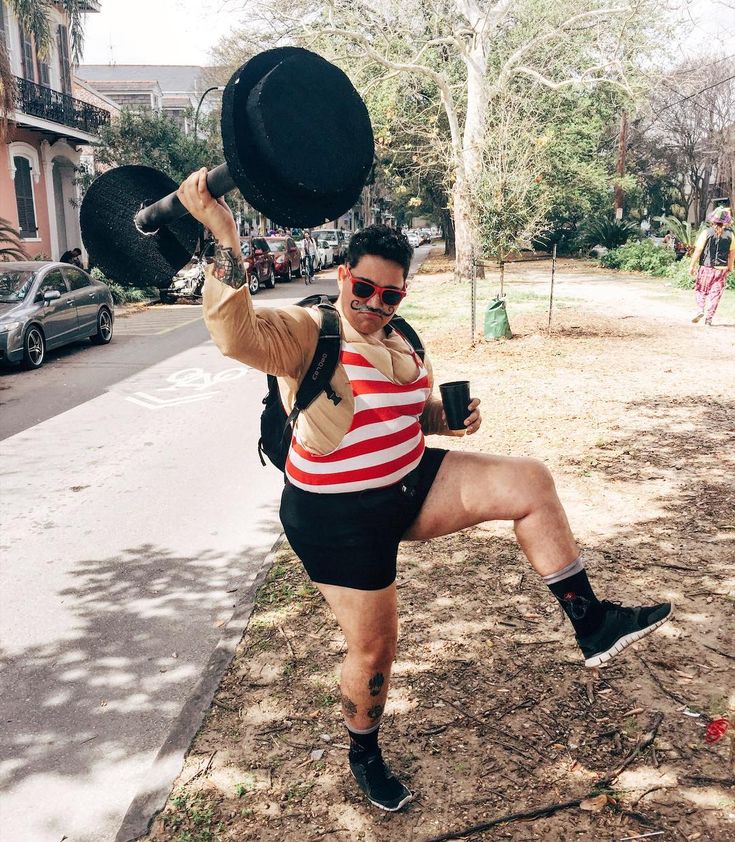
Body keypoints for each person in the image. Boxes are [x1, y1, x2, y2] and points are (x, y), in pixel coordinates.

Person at [178, 168, 673, 814]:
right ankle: (364, 752)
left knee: (528, 481)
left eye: (389, 296)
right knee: (375, 649)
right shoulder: (307, 331)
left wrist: (446, 417)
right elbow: (233, 332)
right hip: (335, 517)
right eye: (363, 289)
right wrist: (222, 233)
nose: (375, 305)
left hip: (407, 483)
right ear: (341, 277)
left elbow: (408, 416)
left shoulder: (401, 337)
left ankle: (592, 624)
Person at [689, 206, 734, 325]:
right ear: (725, 222)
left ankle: (700, 309)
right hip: (721, 269)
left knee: (701, 290)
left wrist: (692, 265)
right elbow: (731, 254)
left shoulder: (706, 233)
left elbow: (698, 250)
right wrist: (730, 267)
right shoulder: (730, 235)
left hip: (706, 267)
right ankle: (709, 319)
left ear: (713, 220)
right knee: (716, 294)